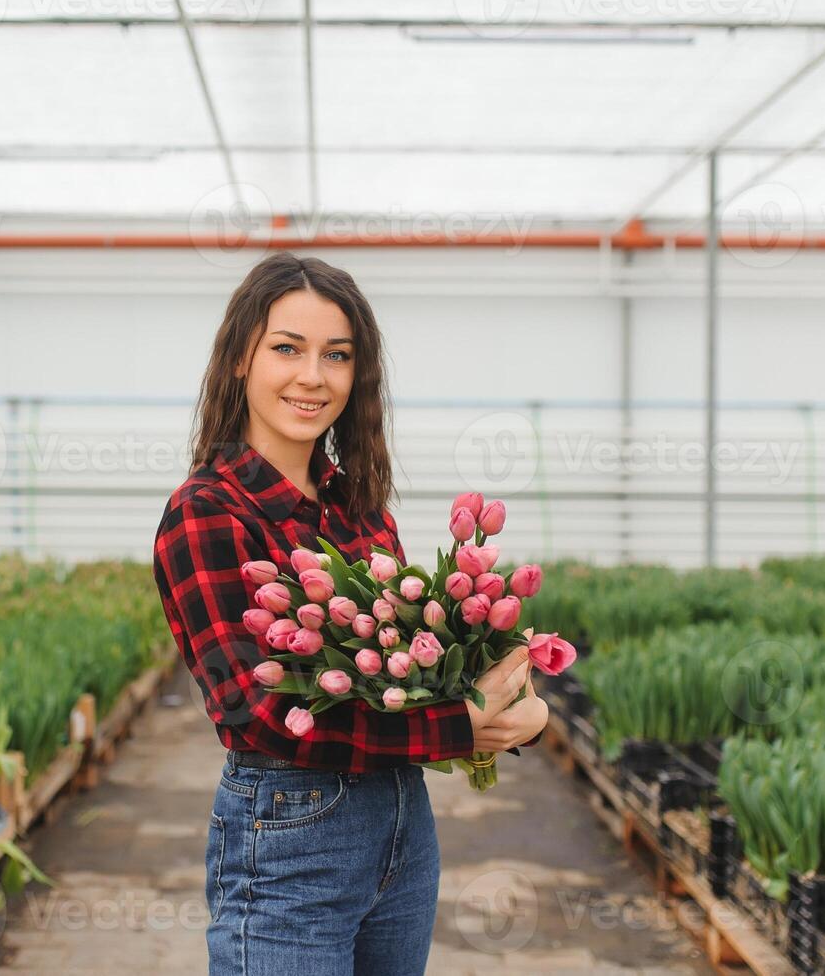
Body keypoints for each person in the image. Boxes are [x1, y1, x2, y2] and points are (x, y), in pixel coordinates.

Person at [151, 251, 548, 975]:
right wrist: (461, 726)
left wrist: (516, 700)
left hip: (401, 826)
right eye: (286, 349)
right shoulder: (206, 512)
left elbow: (415, 675)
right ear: (240, 357)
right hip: (291, 831)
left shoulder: (357, 510)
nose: (313, 376)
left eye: (336, 355)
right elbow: (259, 715)